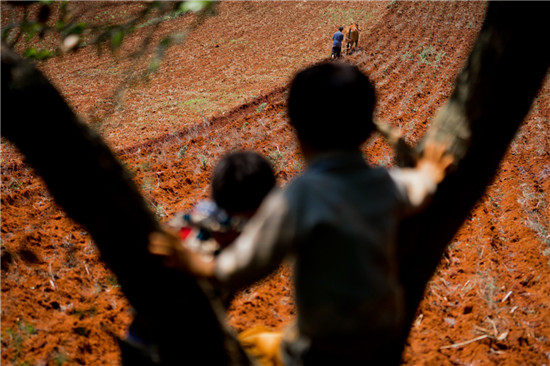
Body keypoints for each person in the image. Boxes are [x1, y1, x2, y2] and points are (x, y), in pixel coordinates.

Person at [149, 63, 453, 365]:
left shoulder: (300, 195)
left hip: (326, 345)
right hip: (384, 331)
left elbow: (246, 266)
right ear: (365, 130)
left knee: (254, 344)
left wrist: (196, 264)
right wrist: (429, 171)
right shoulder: (382, 183)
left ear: (296, 127)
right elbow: (419, 188)